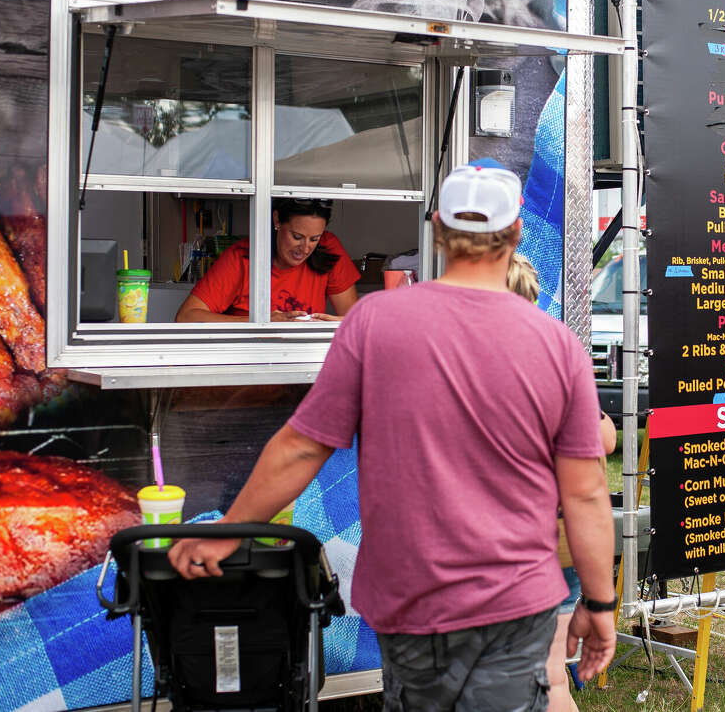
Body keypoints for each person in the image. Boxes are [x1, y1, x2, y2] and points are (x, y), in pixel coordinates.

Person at [169, 160, 617, 711]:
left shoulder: (373, 321)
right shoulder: (557, 344)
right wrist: (599, 601)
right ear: (517, 231)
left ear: (436, 228)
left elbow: (303, 445)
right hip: (513, 599)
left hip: (411, 599)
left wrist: (230, 530)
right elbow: (587, 490)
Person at [507, 252, 618, 712]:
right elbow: (605, 436)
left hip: (511, 549)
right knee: (551, 678)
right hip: (558, 540)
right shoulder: (552, 358)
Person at [175, 198, 360, 322]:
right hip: (248, 362)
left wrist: (334, 325)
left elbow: (354, 320)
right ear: (277, 220)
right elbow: (186, 316)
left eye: (314, 239)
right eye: (296, 236)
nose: (305, 249)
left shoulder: (328, 246)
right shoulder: (241, 257)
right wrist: (262, 322)